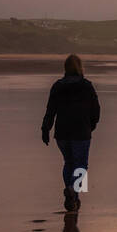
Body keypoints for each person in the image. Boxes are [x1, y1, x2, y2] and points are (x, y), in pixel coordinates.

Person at [41, 54, 101, 213]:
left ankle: (73, 196)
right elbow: (96, 109)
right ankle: (73, 191)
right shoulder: (86, 86)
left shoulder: (57, 86)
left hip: (62, 132)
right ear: (80, 67)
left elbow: (50, 110)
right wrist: (92, 124)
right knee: (81, 165)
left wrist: (45, 129)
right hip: (81, 131)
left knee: (69, 162)